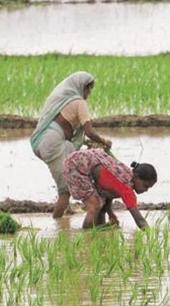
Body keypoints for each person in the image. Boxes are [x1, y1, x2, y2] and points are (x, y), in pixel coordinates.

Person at [30, 71, 112, 218]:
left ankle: (66, 211)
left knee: (68, 172)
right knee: (65, 190)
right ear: (81, 87)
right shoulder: (80, 103)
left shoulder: (68, 102)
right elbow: (89, 131)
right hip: (53, 141)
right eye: (88, 89)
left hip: (51, 139)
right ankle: (58, 224)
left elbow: (74, 131)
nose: (89, 92)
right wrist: (104, 141)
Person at [62, 148, 157, 230]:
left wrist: (110, 212)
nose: (146, 190)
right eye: (145, 185)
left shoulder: (126, 174)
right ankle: (86, 235)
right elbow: (139, 220)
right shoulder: (126, 188)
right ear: (136, 176)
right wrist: (151, 235)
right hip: (76, 165)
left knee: (101, 203)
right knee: (94, 205)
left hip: (81, 159)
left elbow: (109, 191)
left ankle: (98, 231)